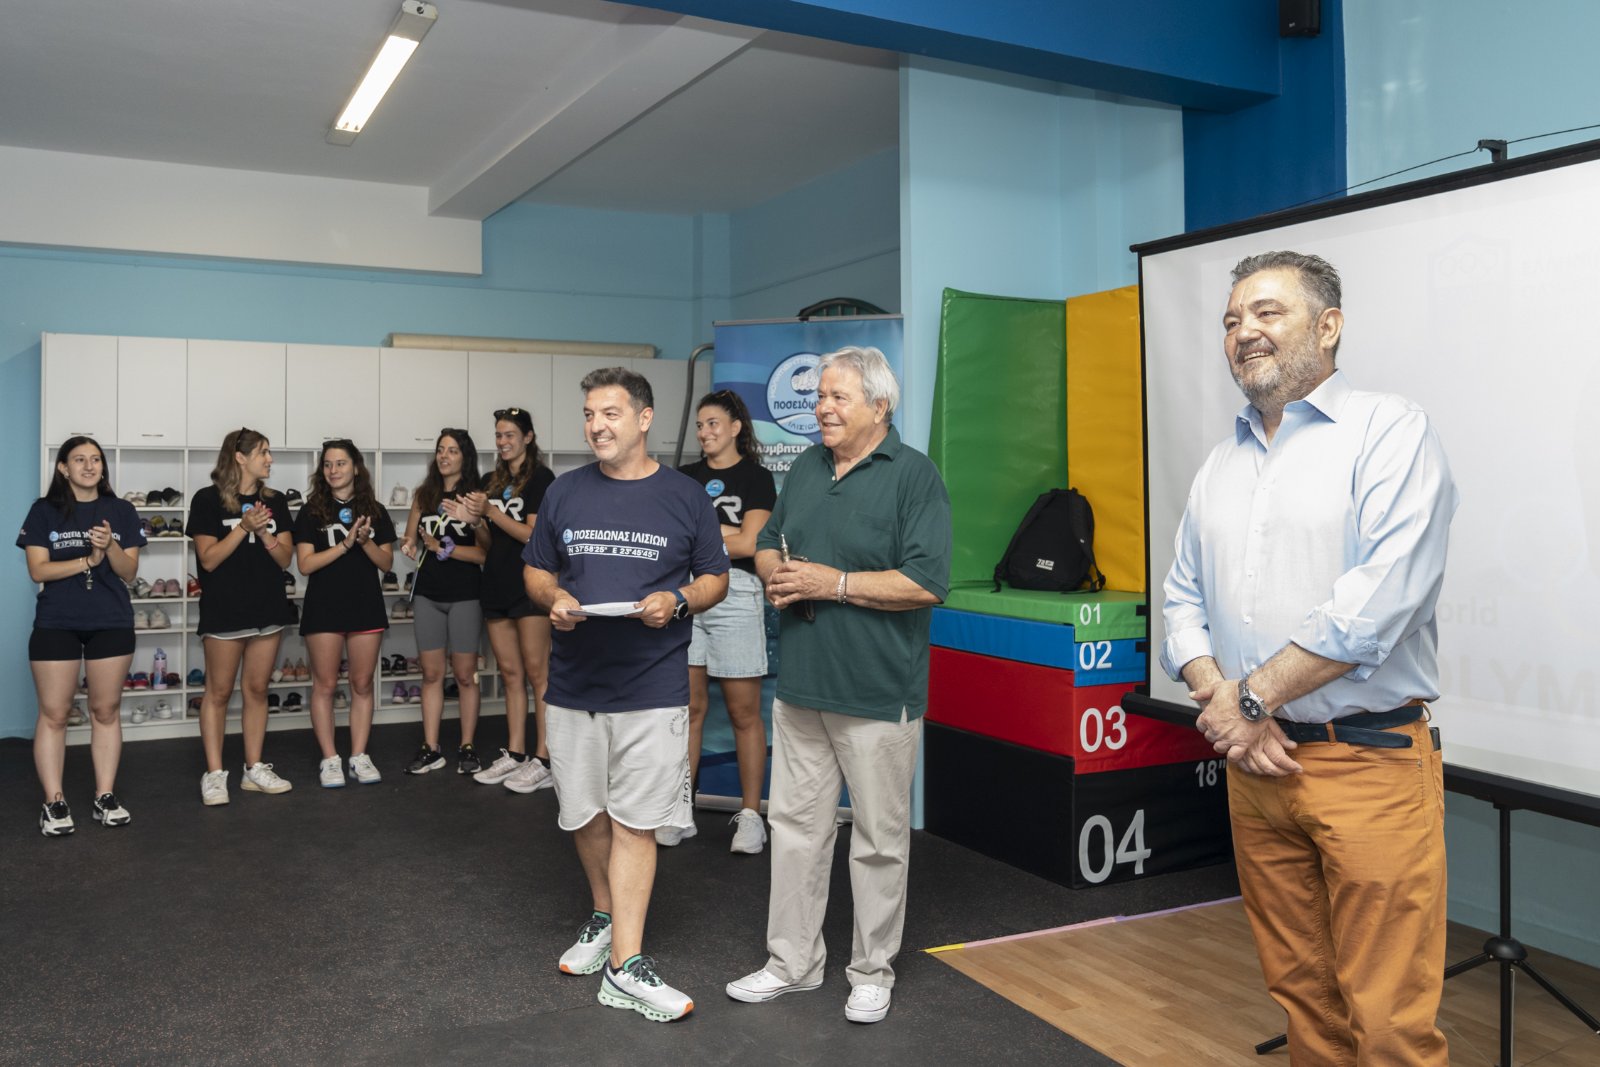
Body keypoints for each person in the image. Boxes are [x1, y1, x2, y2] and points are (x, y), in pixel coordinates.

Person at [1160, 251, 1457, 1064]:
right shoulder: (1219, 465)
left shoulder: (1390, 431)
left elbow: (1379, 603)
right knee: (1305, 1004)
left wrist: (1248, 700)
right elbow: (1180, 602)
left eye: (1267, 312)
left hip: (1367, 764)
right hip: (1256, 772)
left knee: (1389, 1023)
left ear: (1328, 326)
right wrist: (1230, 704)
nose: (1243, 331)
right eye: (1231, 320)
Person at [725, 345, 951, 1026]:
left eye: (836, 397)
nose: (820, 408)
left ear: (879, 406)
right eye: (819, 396)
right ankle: (792, 963)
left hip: (879, 694)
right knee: (795, 830)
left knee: (878, 841)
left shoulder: (914, 476)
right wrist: (777, 574)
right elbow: (769, 541)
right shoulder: (805, 468)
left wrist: (835, 583)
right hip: (801, 689)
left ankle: (872, 971)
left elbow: (926, 582)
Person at [524, 366, 729, 1023]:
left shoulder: (685, 496)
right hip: (575, 684)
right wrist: (554, 596)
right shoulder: (564, 491)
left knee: (637, 822)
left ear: (644, 419)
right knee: (585, 815)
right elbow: (535, 568)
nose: (596, 425)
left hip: (653, 685)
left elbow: (716, 578)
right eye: (589, 413)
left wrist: (679, 599)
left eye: (609, 413)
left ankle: (625, 965)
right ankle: (604, 915)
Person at [661, 389, 776, 852]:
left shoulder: (756, 477)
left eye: (712, 423)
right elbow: (674, 539)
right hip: (688, 592)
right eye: (699, 425)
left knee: (744, 713)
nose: (704, 432)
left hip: (738, 592)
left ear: (735, 428)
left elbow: (751, 544)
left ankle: (751, 817)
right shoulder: (685, 478)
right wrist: (724, 534)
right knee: (688, 710)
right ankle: (681, 809)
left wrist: (703, 534)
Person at [19, 437, 145, 834]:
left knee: (105, 712)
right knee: (55, 714)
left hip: (111, 620)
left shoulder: (121, 510)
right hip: (57, 621)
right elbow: (38, 570)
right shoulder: (44, 511)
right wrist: (87, 559)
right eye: (79, 460)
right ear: (63, 468)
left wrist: (110, 548)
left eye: (96, 459)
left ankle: (104, 796)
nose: (89, 466)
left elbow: (129, 572)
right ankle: (54, 802)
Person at [186, 428, 299, 805]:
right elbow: (209, 560)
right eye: (263, 452)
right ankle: (215, 774)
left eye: (269, 452)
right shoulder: (207, 500)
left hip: (267, 607)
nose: (269, 459)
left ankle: (254, 768)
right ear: (240, 457)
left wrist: (264, 534)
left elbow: (285, 559)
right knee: (217, 693)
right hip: (224, 610)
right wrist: (244, 528)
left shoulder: (275, 501)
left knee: (257, 690)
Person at [293, 439, 395, 788]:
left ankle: (359, 756)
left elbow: (386, 563)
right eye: (327, 464)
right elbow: (305, 565)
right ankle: (330, 759)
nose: (333, 470)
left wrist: (365, 542)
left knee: (362, 684)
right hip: (324, 607)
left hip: (365, 605)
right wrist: (345, 544)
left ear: (355, 468)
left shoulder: (376, 511)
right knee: (324, 685)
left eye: (340, 463)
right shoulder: (310, 511)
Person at [466, 407, 558, 794]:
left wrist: (491, 510)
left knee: (539, 674)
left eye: (510, 435)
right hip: (496, 583)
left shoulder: (541, 478)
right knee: (510, 674)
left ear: (528, 437)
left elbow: (533, 536)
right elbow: (490, 542)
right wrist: (477, 522)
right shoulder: (491, 481)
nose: (503, 442)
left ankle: (545, 759)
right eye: (499, 435)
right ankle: (516, 753)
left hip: (530, 584)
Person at [399, 428, 487, 776]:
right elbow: (410, 537)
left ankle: (467, 746)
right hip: (428, 593)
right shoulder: (425, 494)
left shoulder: (476, 498)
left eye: (452, 450)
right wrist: (409, 545)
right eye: (440, 449)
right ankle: (431, 747)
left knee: (465, 675)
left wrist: (444, 549)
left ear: (465, 456)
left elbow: (484, 554)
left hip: (465, 593)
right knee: (432, 674)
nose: (444, 456)